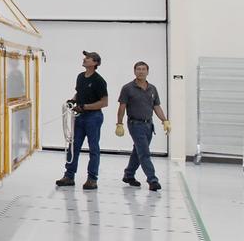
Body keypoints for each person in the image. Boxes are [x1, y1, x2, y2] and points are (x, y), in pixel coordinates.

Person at [113, 61, 170, 191]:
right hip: (135, 124)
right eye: (138, 69)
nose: (141, 71)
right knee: (144, 153)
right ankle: (152, 180)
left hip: (149, 125)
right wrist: (119, 123)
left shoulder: (152, 89)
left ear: (147, 72)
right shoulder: (127, 88)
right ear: (134, 71)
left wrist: (165, 120)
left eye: (143, 69)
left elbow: (156, 106)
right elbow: (122, 107)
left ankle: (129, 175)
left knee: (137, 151)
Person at [56, 51, 108, 190]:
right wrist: (73, 100)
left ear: (95, 63)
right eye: (85, 57)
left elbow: (104, 102)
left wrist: (85, 107)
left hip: (93, 117)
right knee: (73, 146)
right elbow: (79, 92)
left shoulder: (99, 81)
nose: (84, 59)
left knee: (93, 148)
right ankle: (69, 176)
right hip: (80, 117)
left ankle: (92, 179)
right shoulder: (80, 77)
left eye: (88, 58)